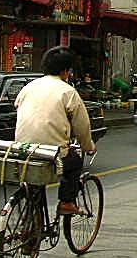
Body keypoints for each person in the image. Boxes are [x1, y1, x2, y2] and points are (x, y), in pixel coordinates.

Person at [14, 45, 97, 215]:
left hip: (23, 149)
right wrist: (89, 146)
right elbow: (82, 126)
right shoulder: (68, 92)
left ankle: (33, 222)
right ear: (66, 71)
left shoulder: (28, 87)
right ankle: (66, 202)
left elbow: (18, 106)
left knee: (34, 184)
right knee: (75, 162)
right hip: (52, 152)